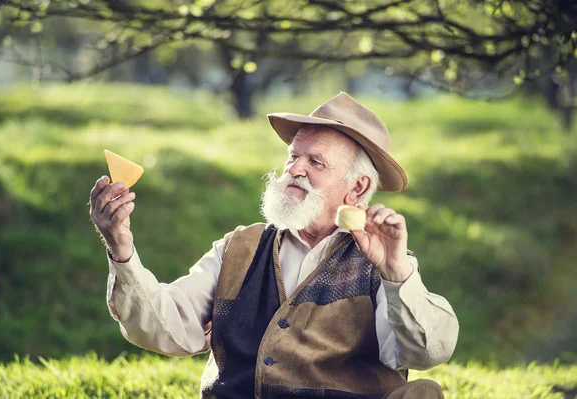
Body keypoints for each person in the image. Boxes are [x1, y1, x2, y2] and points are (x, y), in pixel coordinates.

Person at [90, 92, 459, 399]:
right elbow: (164, 327)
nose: (296, 170)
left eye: (315, 162)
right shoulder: (239, 247)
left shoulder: (385, 264)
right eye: (293, 157)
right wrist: (120, 246)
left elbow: (426, 351)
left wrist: (397, 273)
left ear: (358, 187)